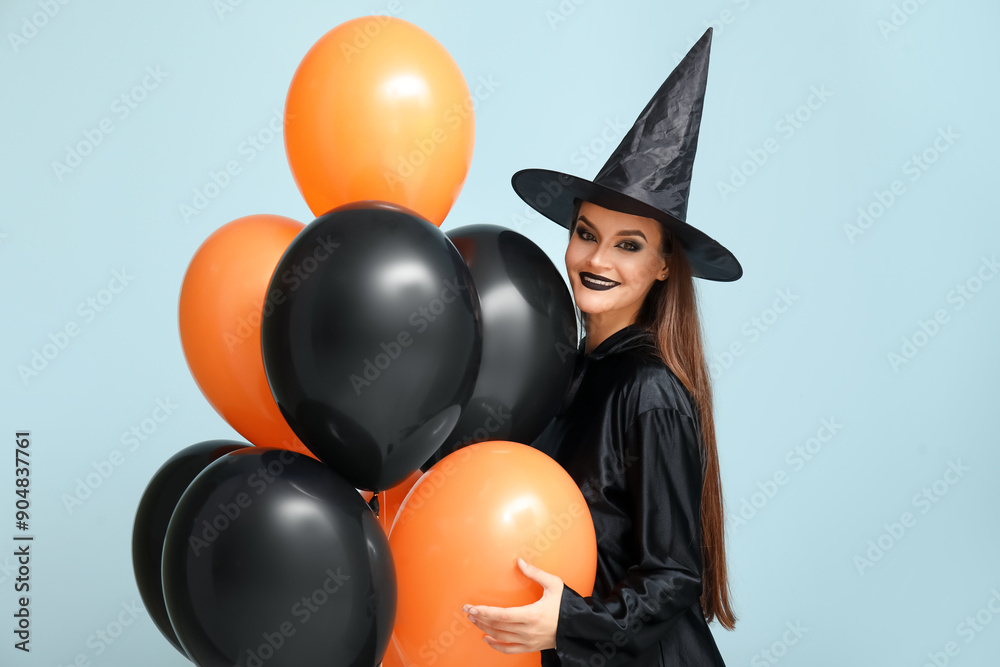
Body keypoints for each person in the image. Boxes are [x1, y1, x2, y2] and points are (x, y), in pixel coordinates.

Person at [461, 27, 740, 666]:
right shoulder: (556, 374)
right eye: (587, 234)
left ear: (663, 266)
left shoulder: (651, 391)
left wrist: (569, 623)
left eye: (628, 245)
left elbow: (673, 575)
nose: (596, 260)